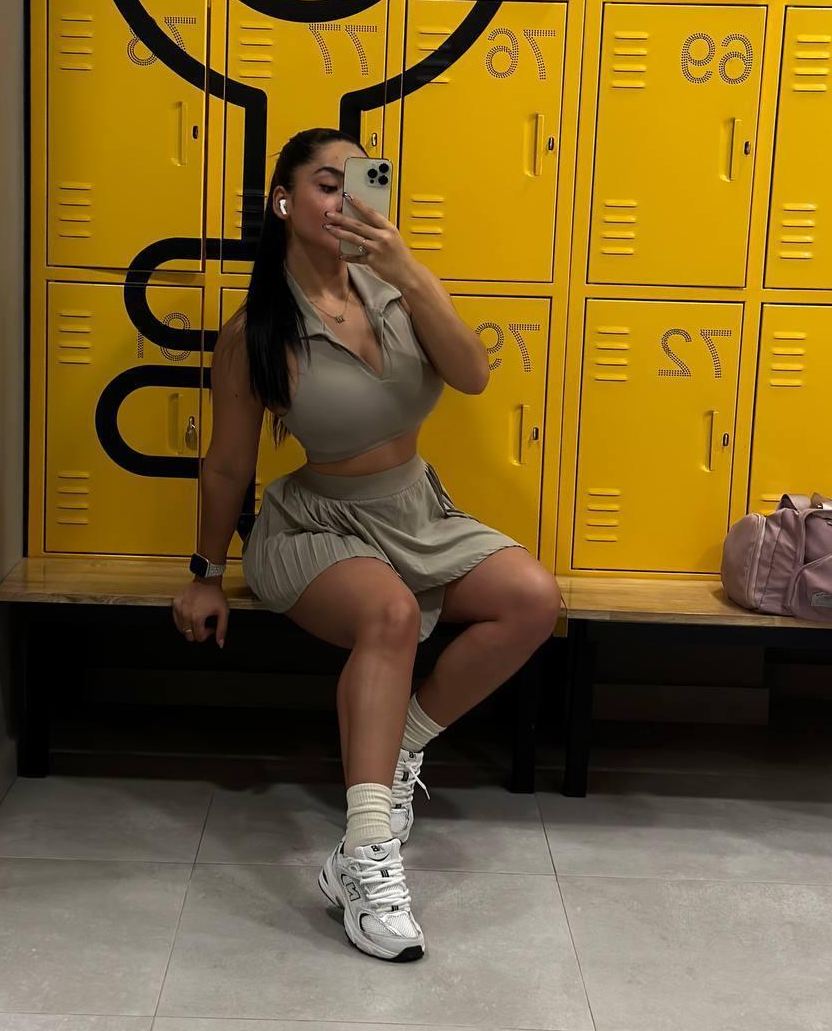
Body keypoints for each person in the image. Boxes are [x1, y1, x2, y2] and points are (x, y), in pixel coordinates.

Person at [172, 127, 561, 962]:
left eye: (359, 181)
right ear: (284, 202)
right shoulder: (255, 331)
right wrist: (205, 573)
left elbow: (473, 374)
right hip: (316, 524)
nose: (344, 198)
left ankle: (398, 752)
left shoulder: (395, 291)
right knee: (389, 614)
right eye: (325, 182)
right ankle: (368, 856)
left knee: (533, 599)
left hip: (414, 512)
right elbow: (229, 464)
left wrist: (409, 271)